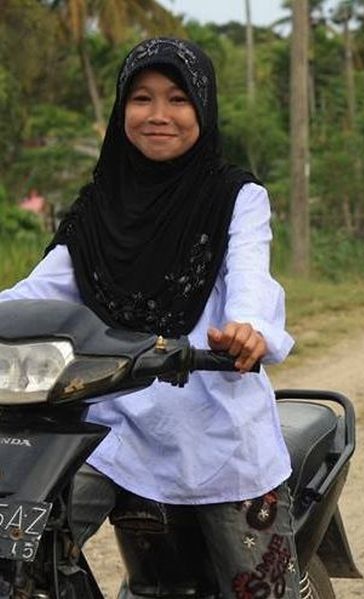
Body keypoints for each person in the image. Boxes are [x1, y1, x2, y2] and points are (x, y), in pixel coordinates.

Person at [0, 38, 301, 597]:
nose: (158, 115)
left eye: (178, 99)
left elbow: (250, 274)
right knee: (21, 547)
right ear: (122, 110)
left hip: (213, 426)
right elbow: (40, 291)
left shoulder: (236, 195)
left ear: (203, 110)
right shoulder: (98, 206)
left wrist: (247, 329)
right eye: (142, 98)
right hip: (111, 423)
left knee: (260, 588)